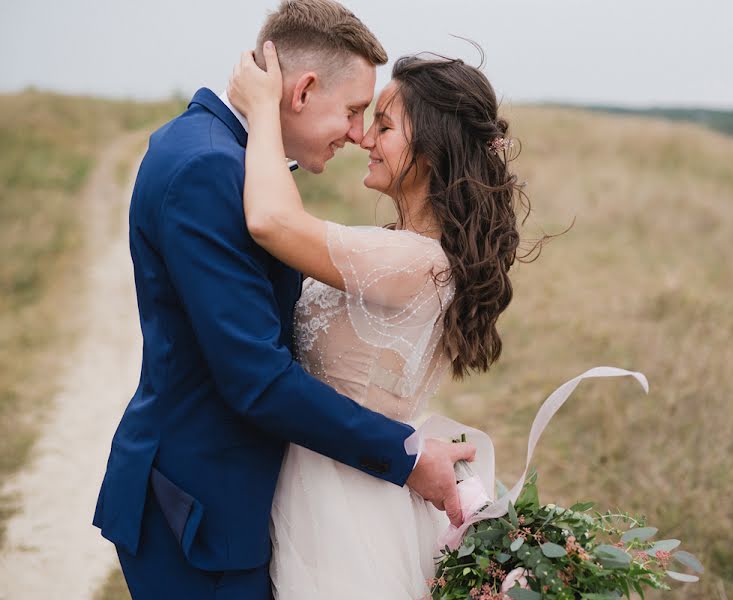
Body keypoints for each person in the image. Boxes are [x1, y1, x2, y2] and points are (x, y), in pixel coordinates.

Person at [92, 1, 477, 598]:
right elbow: (256, 378)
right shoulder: (210, 169)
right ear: (301, 91)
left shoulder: (220, 154)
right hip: (201, 504)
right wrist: (404, 457)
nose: (357, 134)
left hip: (253, 498)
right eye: (353, 111)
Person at [225, 29, 535, 597]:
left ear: (433, 148)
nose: (365, 137)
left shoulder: (413, 261)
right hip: (339, 472)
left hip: (341, 500)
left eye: (386, 127)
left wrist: (263, 111)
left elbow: (270, 221)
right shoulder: (405, 249)